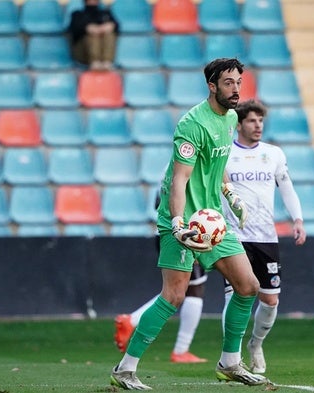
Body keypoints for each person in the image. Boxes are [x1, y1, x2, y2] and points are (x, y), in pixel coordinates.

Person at [110, 58, 271, 390]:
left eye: (239, 81)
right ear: (212, 86)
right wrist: (179, 224)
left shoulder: (229, 118)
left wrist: (230, 192)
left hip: (212, 219)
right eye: (228, 82)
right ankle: (125, 369)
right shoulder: (192, 125)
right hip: (183, 221)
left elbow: (218, 162)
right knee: (173, 296)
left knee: (248, 286)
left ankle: (229, 363)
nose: (236, 88)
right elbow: (180, 179)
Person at [221, 99, 306, 374]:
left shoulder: (274, 154)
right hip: (233, 236)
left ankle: (255, 345)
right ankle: (230, 357)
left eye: (261, 121)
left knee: (270, 301)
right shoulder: (225, 154)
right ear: (239, 124)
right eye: (251, 121)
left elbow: (287, 188)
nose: (258, 125)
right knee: (235, 296)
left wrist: (298, 219)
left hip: (266, 237)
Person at [114, 189, 209, 364]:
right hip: (183, 234)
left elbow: (158, 201)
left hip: (170, 232)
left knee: (183, 289)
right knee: (188, 290)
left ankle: (133, 321)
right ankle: (179, 350)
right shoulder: (189, 164)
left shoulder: (174, 165)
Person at [67, 0, 119, 71]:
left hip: (103, 50)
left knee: (109, 34)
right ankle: (94, 62)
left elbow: (116, 25)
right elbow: (73, 29)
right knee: (92, 36)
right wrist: (88, 28)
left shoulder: (105, 14)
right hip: (83, 54)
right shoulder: (78, 15)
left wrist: (109, 26)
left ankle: (107, 62)